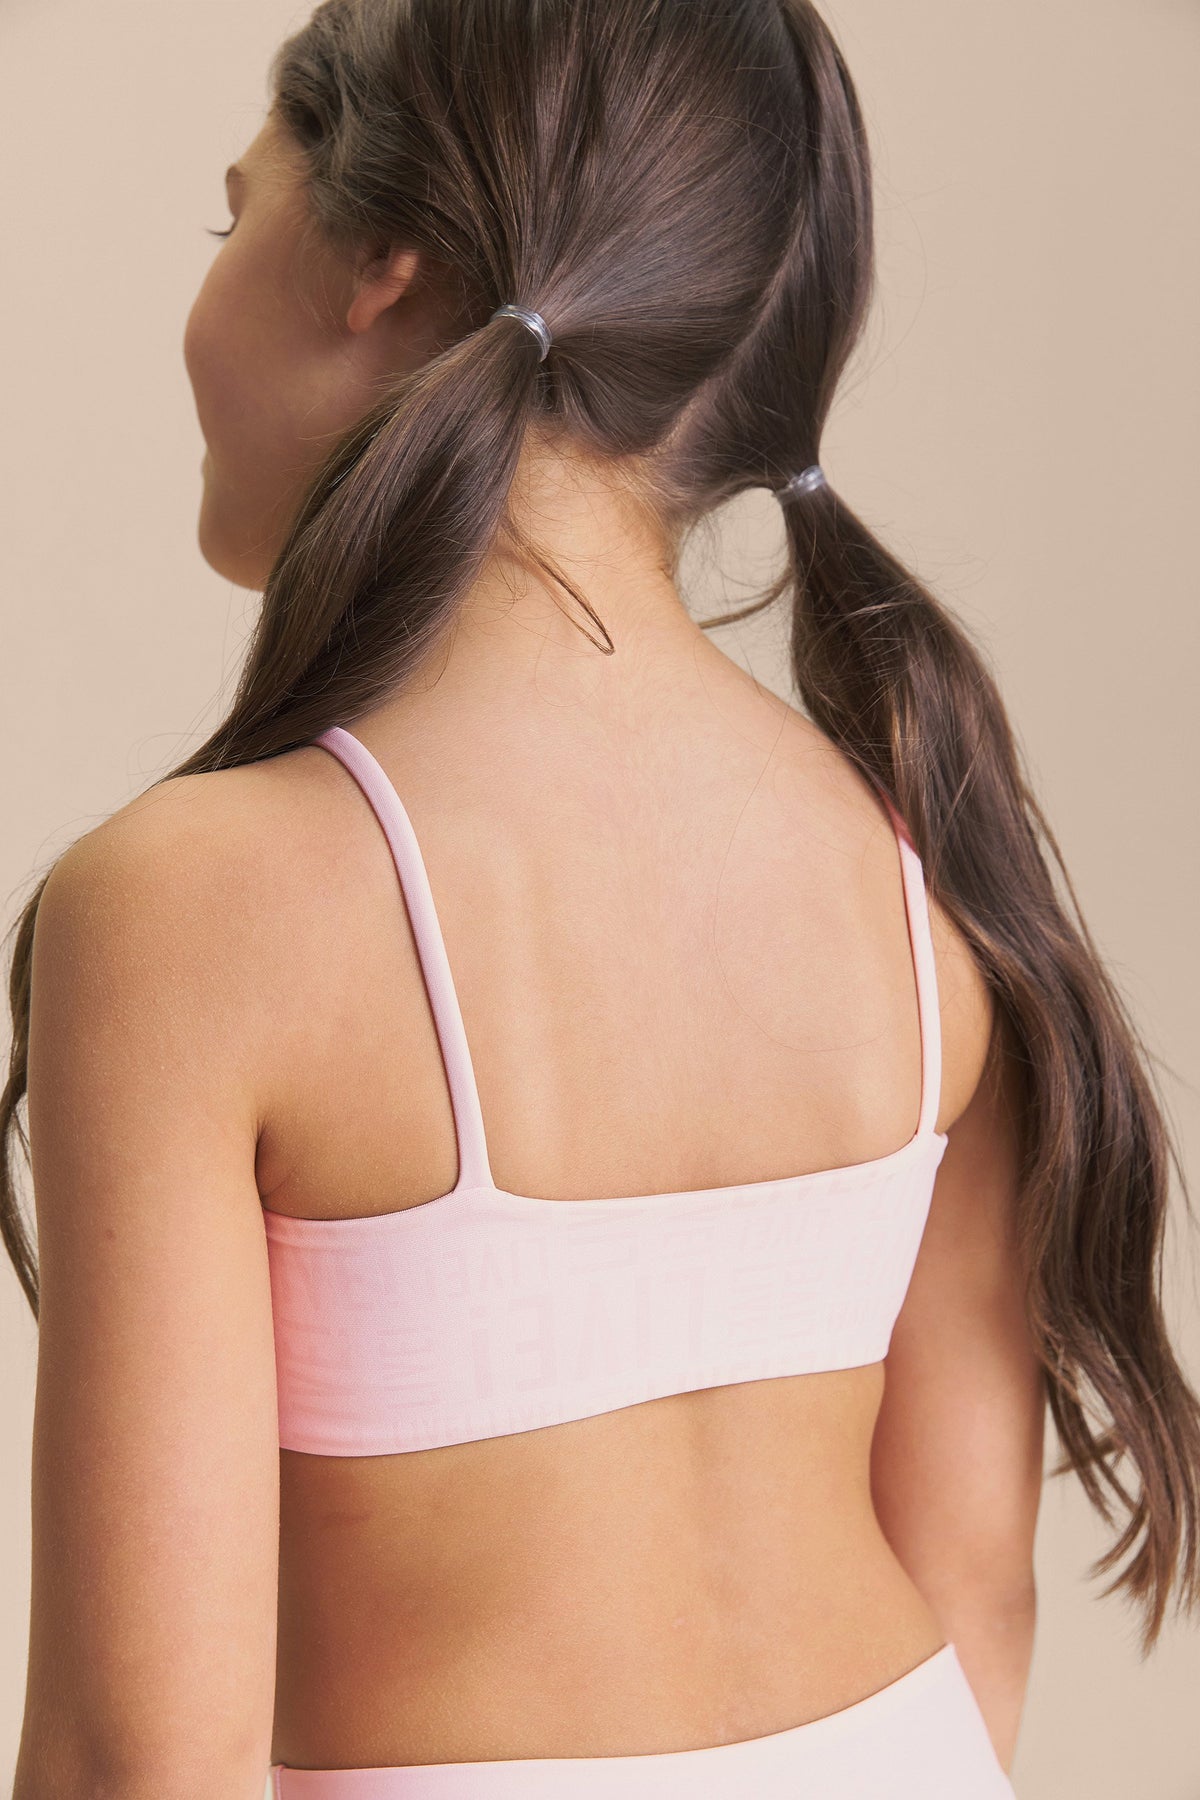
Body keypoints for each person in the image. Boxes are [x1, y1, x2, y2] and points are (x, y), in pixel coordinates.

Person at [6, 1, 1198, 1795]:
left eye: (229, 213)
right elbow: (974, 1583)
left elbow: (135, 1760)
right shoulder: (919, 852)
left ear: (381, 265)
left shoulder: (188, 909)